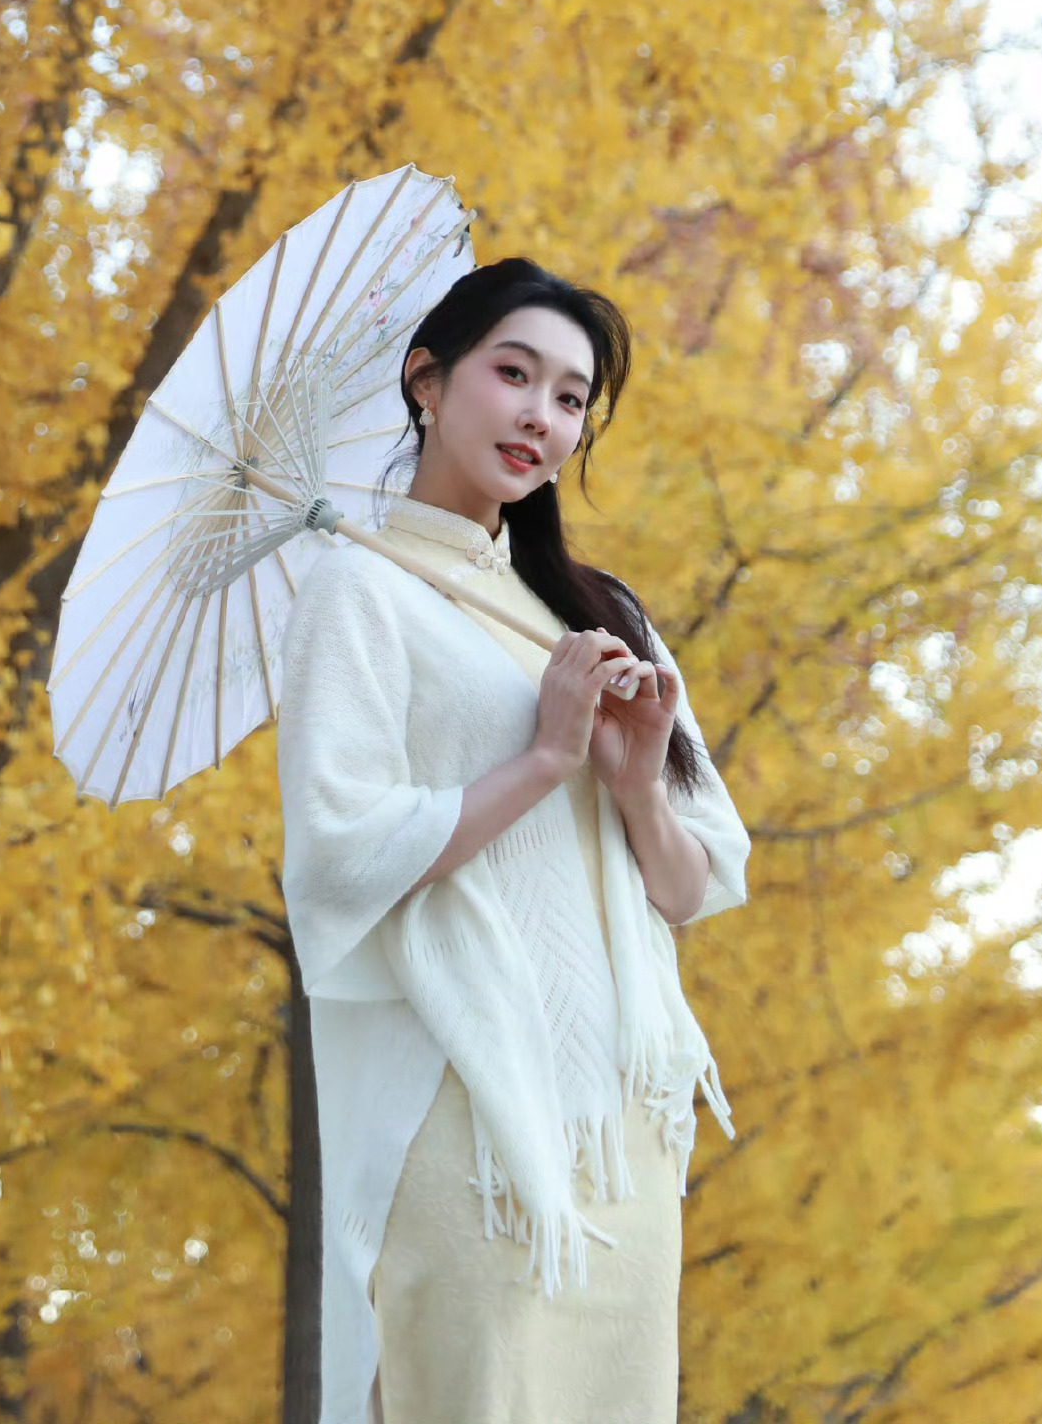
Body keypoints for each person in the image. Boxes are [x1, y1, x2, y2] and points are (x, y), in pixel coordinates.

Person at [277, 255, 751, 1424]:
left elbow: (691, 886)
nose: (541, 414)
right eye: (513, 374)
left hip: (622, 1123)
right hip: (464, 1104)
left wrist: (634, 786)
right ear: (425, 381)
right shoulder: (358, 589)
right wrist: (542, 758)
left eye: (570, 397)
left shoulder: (603, 612)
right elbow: (338, 850)